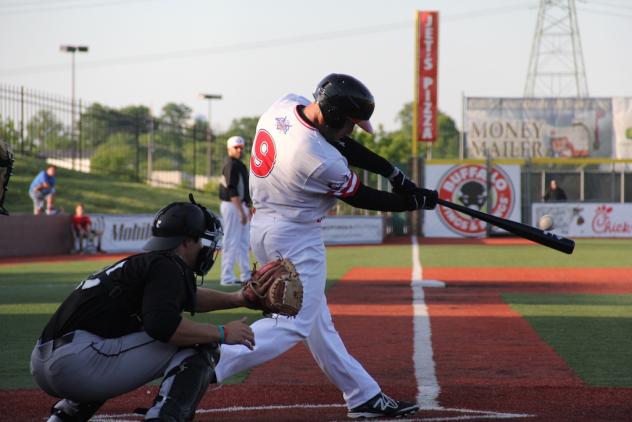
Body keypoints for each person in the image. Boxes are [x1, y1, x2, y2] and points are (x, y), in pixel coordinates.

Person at [214, 73, 438, 419]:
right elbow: (362, 194)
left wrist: (393, 173)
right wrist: (413, 202)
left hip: (266, 227)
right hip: (296, 237)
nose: (351, 130)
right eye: (350, 123)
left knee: (319, 323)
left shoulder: (284, 105)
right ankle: (210, 361)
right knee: (294, 323)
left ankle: (363, 394)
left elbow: (342, 144)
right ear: (334, 117)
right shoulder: (318, 157)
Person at [31, 196, 256, 422]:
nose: (206, 249)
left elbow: (188, 299)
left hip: (50, 361)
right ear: (187, 241)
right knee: (201, 342)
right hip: (78, 364)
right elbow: (163, 326)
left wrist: (239, 299)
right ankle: (163, 417)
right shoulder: (168, 267)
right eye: (203, 242)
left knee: (126, 332)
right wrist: (223, 333)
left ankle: (64, 416)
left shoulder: (150, 263)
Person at [219, 136, 252, 286]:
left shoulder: (238, 164)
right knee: (231, 241)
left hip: (240, 205)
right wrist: (240, 211)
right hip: (232, 205)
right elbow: (231, 189)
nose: (239, 150)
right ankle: (226, 277)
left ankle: (246, 275)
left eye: (241, 147)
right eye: (236, 147)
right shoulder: (231, 164)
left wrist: (247, 207)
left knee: (243, 242)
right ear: (229, 149)